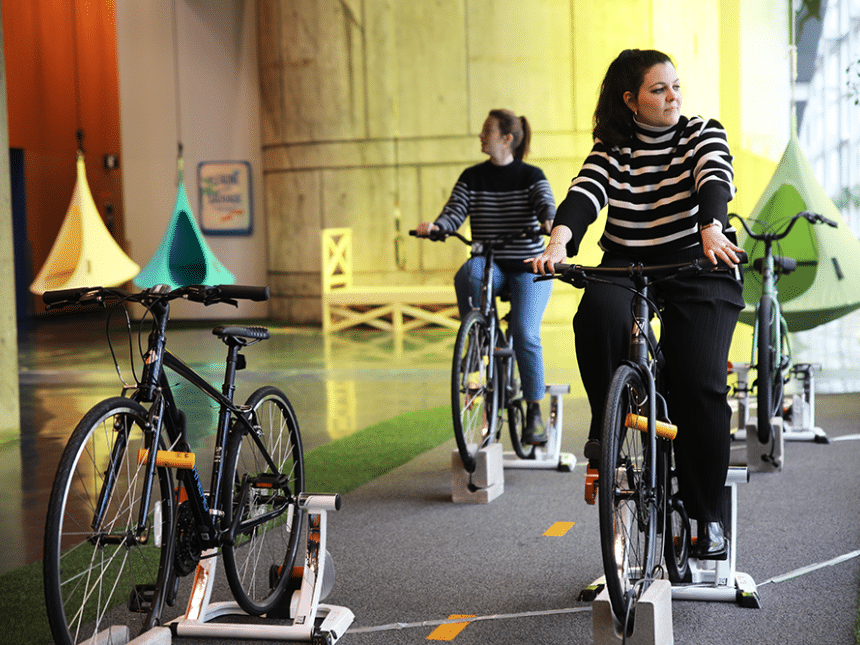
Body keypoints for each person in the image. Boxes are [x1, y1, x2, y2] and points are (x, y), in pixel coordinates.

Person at [530, 50, 744, 559]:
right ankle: (609, 425)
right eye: (659, 90)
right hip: (628, 263)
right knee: (597, 316)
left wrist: (711, 225)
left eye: (676, 87)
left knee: (701, 383)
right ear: (630, 100)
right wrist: (559, 242)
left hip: (700, 259)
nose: (673, 97)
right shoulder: (611, 148)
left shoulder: (700, 133)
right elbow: (585, 194)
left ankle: (705, 515)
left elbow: (714, 177)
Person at [416, 109, 556, 444]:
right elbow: (454, 211)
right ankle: (478, 338)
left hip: (529, 264)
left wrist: (551, 223)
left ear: (507, 139)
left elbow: (546, 206)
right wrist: (439, 227)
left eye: (487, 131)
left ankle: (534, 409)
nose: (481, 135)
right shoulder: (472, 177)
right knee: (469, 272)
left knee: (524, 332)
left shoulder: (531, 175)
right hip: (490, 260)